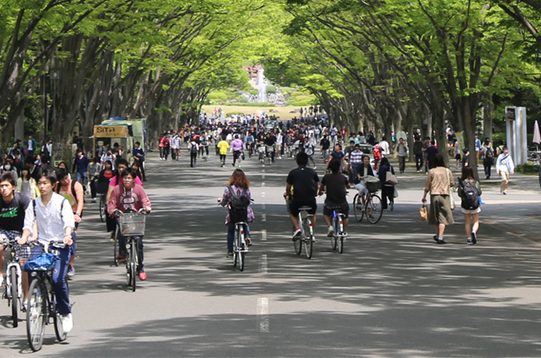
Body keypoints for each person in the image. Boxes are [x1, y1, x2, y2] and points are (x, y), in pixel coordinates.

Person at [19, 171, 75, 333]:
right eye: (40, 183)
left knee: (58, 279)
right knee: (30, 268)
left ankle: (65, 312)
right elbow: (28, 225)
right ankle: (36, 300)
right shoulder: (34, 204)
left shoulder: (62, 202)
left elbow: (68, 222)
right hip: (41, 244)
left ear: (53, 184)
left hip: (60, 245)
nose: (42, 186)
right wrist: (24, 237)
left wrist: (67, 236)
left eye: (45, 183)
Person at [107, 168, 151, 280]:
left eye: (129, 178)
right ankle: (123, 252)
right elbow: (112, 203)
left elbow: (145, 200)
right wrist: (113, 211)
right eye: (125, 178)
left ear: (133, 179)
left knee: (139, 242)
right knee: (121, 234)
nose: (127, 180)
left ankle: (140, 268)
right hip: (123, 217)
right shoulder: (117, 190)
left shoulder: (139, 189)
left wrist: (146, 208)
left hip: (136, 217)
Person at [0, 173, 31, 294]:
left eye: (6, 185)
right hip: (2, 231)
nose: (3, 189)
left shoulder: (22, 200)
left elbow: (29, 221)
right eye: (1, 186)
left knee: (24, 263)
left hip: (20, 232)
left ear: (13, 187)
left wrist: (24, 237)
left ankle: (26, 296)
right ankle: (1, 273)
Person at [55, 168, 84, 278]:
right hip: (60, 214)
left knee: (71, 236)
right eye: (63, 180)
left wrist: (77, 214)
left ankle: (71, 264)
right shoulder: (57, 187)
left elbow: (80, 201)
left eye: (66, 177)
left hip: (73, 213)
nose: (66, 181)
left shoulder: (76, 185)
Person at [219, 169, 254, 257]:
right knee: (245, 223)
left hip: (233, 213)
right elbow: (249, 198)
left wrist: (222, 203)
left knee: (231, 231)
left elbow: (225, 199)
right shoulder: (246, 188)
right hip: (244, 212)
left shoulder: (229, 188)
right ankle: (247, 237)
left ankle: (230, 250)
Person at [421, 153, 454, 244]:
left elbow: (427, 185)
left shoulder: (431, 171)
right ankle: (440, 237)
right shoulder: (447, 171)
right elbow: (452, 183)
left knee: (436, 216)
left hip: (434, 195)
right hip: (444, 195)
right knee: (443, 216)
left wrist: (424, 196)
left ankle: (438, 234)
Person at [285, 152, 319, 239]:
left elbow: (288, 188)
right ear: (307, 161)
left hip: (297, 199)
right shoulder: (312, 172)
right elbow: (316, 185)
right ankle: (312, 232)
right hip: (310, 199)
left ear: (297, 161)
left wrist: (287, 194)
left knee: (292, 212)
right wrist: (315, 193)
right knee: (313, 213)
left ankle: (297, 228)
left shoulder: (293, 173)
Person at [319, 159, 349, 237]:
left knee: (326, 214)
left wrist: (320, 192)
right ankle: (344, 230)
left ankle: (330, 226)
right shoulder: (343, 177)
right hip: (342, 202)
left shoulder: (326, 177)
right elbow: (347, 186)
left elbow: (321, 188)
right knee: (345, 215)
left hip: (330, 203)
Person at [457, 166, 482, 245]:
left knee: (467, 222)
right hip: (474, 204)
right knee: (476, 221)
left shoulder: (463, 182)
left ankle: (468, 238)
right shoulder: (475, 182)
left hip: (465, 204)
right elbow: (479, 192)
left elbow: (459, 194)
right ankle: (474, 232)